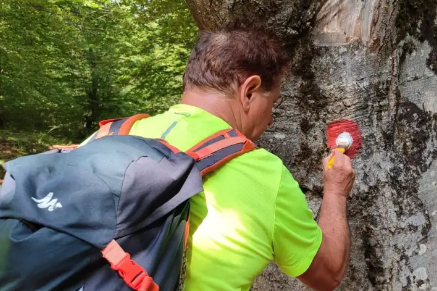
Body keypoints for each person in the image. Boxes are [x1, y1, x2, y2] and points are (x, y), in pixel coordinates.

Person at [84, 27, 355, 290]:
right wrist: (336, 190)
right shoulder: (262, 172)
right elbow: (327, 273)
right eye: (272, 102)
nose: (270, 119)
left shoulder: (107, 137)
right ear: (249, 90)